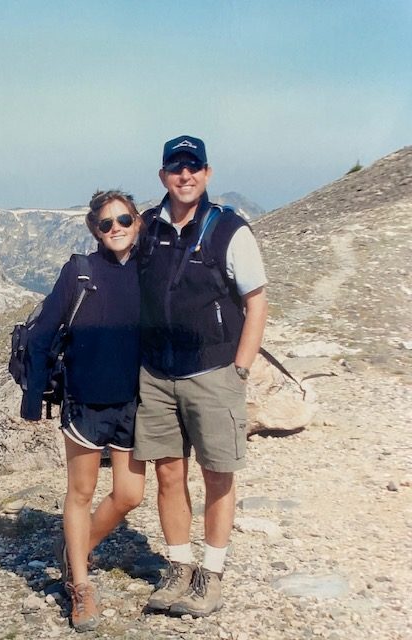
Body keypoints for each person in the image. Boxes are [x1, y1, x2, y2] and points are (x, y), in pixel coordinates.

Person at [134, 135, 268, 617]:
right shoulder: (146, 226)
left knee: (217, 475)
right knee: (169, 474)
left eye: (194, 167)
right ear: (163, 175)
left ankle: (210, 575)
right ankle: (178, 566)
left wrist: (241, 369)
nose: (185, 176)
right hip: (156, 372)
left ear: (207, 174)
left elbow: (256, 302)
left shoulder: (229, 229)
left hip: (213, 372)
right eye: (176, 167)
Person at [21, 190, 146, 633]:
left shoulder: (149, 270)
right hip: (83, 402)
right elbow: (41, 333)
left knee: (130, 495)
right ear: (95, 229)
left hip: (134, 403)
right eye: (106, 223)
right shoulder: (80, 272)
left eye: (124, 221)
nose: (116, 229)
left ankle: (76, 550)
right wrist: (33, 401)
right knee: (81, 492)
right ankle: (81, 585)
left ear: (138, 222)